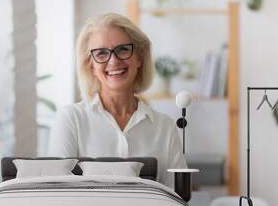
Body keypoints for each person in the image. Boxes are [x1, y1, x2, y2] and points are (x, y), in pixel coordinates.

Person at [47, 13, 187, 189]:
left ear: (139, 58)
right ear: (91, 66)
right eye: (101, 53)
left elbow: (177, 200)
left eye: (123, 49)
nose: (113, 61)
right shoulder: (70, 120)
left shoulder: (164, 127)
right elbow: (57, 195)